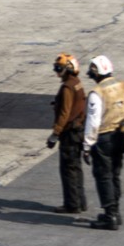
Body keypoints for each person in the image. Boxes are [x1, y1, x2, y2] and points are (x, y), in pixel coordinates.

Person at [80, 55, 124, 230]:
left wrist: (87, 145)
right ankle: (116, 211)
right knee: (115, 174)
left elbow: (93, 122)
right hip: (121, 136)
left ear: (96, 73)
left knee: (103, 176)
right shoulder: (123, 87)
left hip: (104, 139)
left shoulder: (97, 93)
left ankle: (109, 216)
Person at [45, 54, 87, 214]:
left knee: (68, 169)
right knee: (76, 167)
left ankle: (72, 204)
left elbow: (65, 113)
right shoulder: (77, 83)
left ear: (67, 69)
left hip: (69, 133)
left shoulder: (67, 87)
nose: (57, 72)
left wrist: (55, 134)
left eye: (59, 69)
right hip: (78, 130)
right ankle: (80, 201)